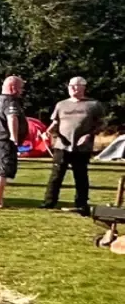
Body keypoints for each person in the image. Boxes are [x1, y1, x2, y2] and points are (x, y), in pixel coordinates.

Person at [43, 76, 105, 215]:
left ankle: (81, 204)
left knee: (80, 175)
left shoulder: (94, 105)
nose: (73, 88)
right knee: (56, 175)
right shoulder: (61, 104)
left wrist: (88, 135)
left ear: (84, 87)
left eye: (76, 85)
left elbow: (102, 124)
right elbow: (55, 122)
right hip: (62, 145)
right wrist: (48, 132)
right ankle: (49, 202)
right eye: (71, 85)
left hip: (82, 147)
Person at [0, 75, 26, 209]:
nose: (22, 91)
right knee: (1, 172)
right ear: (13, 87)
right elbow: (12, 118)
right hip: (3, 140)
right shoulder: (10, 101)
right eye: (20, 87)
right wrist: (14, 137)